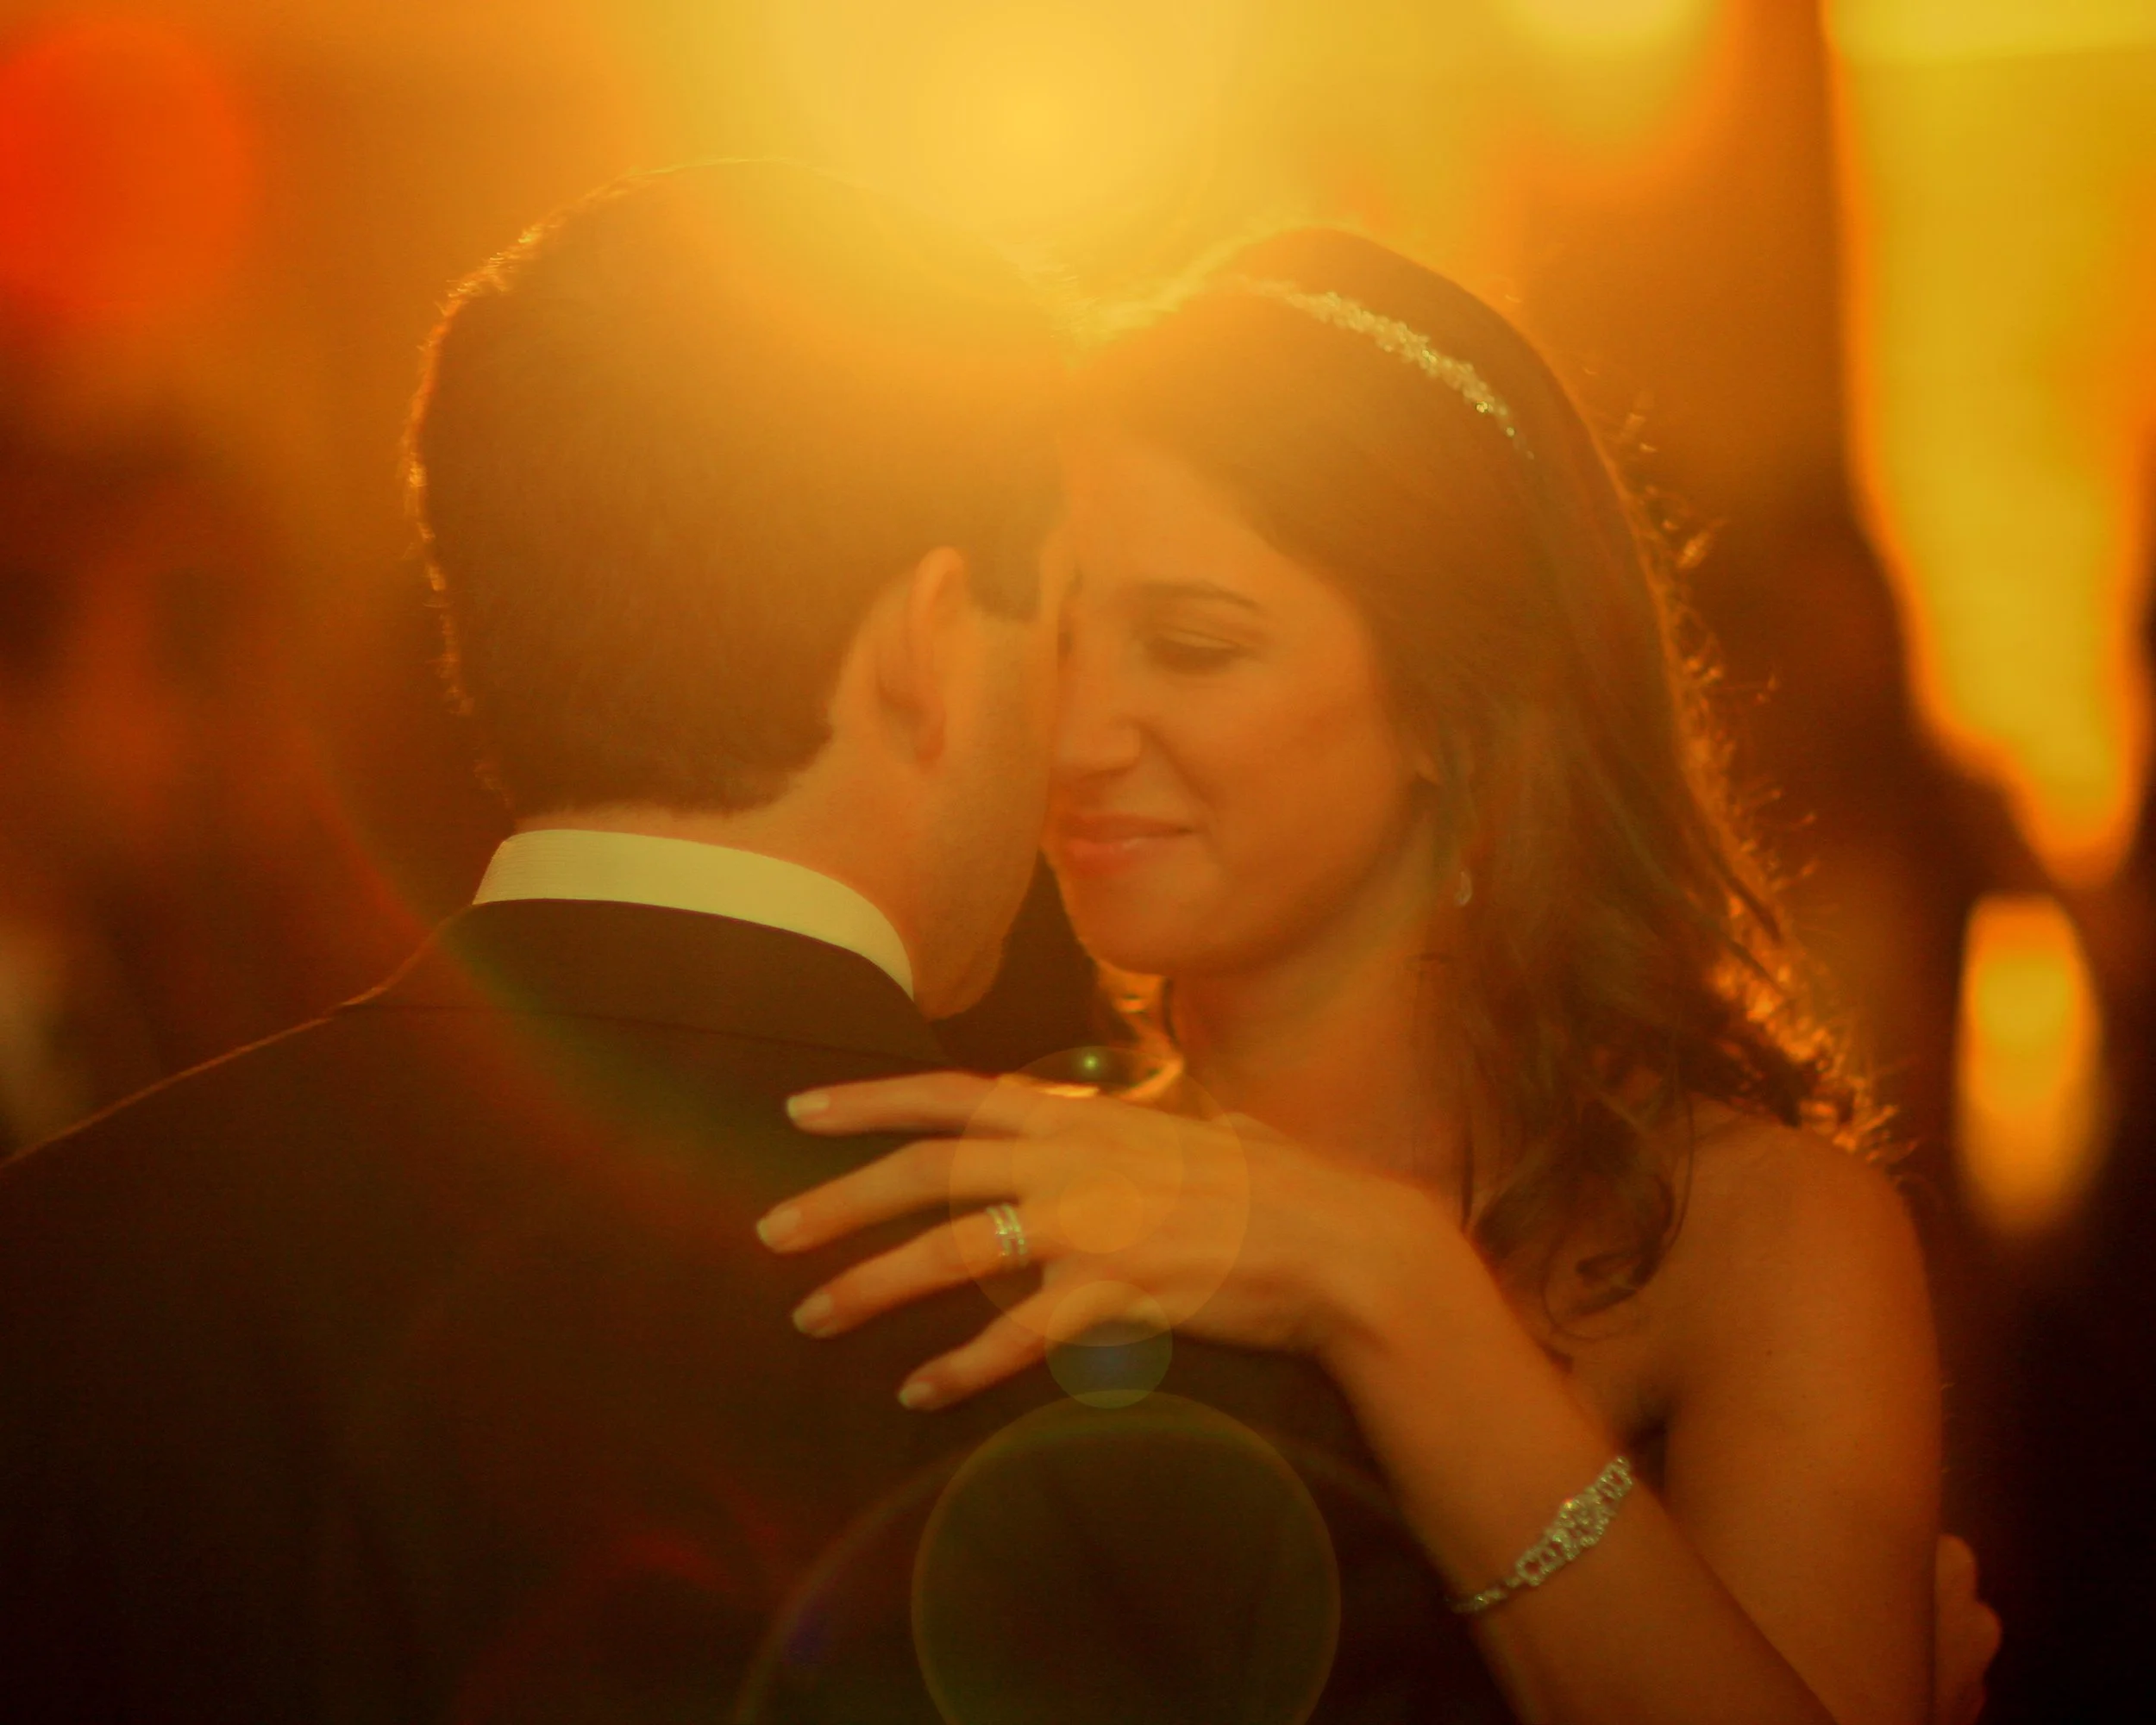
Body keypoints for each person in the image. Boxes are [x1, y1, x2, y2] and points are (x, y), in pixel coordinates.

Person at [753, 229, 1984, 1724]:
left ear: (1457, 706)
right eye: (1057, 638)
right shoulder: (1019, 1177)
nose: (1076, 738)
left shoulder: (1752, 1236)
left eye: (1193, 647)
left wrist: (1393, 1290)